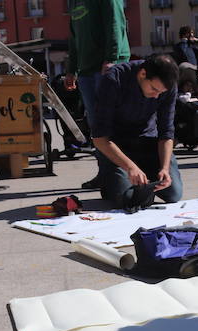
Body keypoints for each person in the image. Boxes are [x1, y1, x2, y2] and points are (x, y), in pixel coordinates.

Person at [92, 54, 184, 208]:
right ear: (142, 74)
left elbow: (166, 132)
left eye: (161, 93)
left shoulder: (167, 85)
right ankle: (111, 181)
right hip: (118, 147)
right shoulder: (114, 80)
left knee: (173, 193)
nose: (156, 96)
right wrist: (130, 167)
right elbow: (99, 138)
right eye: (154, 89)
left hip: (148, 143)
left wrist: (164, 168)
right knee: (128, 199)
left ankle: (141, 182)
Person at [64, 0, 131, 189]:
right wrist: (71, 70)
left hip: (107, 67)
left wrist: (111, 58)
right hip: (86, 71)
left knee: (113, 124)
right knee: (97, 129)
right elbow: (74, 38)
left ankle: (123, 175)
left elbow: (115, 23)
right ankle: (105, 174)